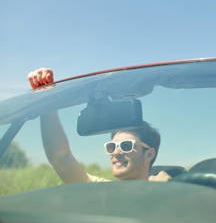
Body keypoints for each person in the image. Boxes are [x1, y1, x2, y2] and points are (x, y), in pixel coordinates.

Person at [28, 68, 170, 183]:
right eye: (112, 147)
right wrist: (47, 100)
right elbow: (60, 157)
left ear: (149, 153)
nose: (116, 152)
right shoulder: (101, 189)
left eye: (126, 146)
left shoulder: (167, 189)